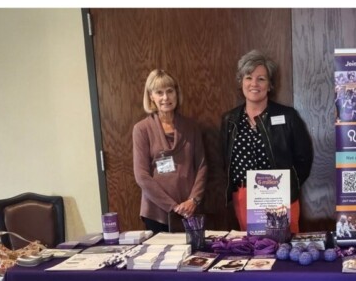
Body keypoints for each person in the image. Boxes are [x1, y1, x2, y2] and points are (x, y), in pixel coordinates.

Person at [221, 50, 314, 231]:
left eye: (261, 79)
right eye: (248, 77)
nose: (254, 83)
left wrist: (286, 186)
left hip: (279, 194)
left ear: (270, 85)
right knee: (253, 250)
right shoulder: (230, 120)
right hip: (244, 194)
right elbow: (225, 161)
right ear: (241, 82)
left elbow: (304, 158)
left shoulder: (288, 116)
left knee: (284, 248)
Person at [131, 69, 207, 233]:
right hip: (156, 212)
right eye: (159, 92)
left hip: (190, 211)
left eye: (170, 91)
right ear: (151, 96)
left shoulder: (191, 127)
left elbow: (202, 166)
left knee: (193, 258)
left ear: (176, 93)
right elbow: (141, 176)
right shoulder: (142, 129)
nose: (165, 98)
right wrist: (172, 206)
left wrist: (193, 200)